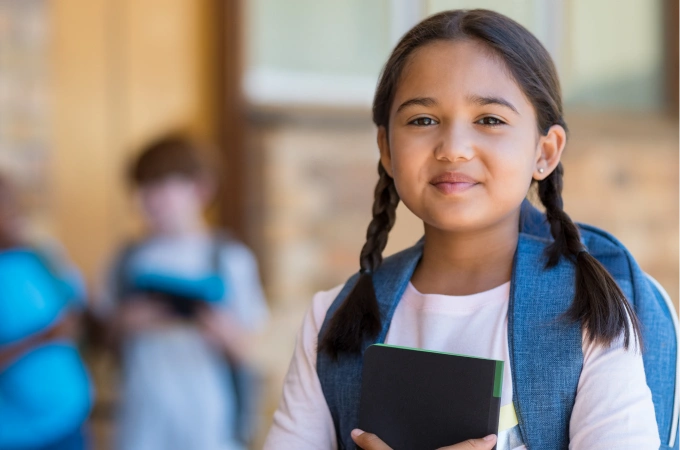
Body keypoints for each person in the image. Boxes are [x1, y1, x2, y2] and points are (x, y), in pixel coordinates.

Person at [264, 9, 660, 450]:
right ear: (387, 149)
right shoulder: (331, 320)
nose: (453, 149)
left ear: (545, 152)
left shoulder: (589, 313)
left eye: (489, 119)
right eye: (422, 120)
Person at [96, 135, 269, 450]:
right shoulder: (125, 259)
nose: (149, 200)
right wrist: (125, 322)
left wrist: (221, 331)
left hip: (211, 423)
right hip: (140, 421)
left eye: (161, 186)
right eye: (143, 188)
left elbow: (251, 350)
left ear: (200, 188)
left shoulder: (230, 258)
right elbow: (102, 340)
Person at [0, 174, 92, 450]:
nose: (13, 211)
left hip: (71, 418)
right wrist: (42, 338)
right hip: (19, 434)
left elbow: (77, 311)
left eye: (12, 201)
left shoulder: (42, 255)